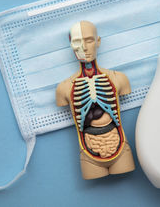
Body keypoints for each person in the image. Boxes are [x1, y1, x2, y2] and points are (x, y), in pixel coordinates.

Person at [56, 21, 135, 179]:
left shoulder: (119, 79)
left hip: (121, 149)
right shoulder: (63, 89)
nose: (83, 47)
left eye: (89, 40)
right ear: (71, 45)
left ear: (98, 42)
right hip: (88, 154)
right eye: (77, 42)